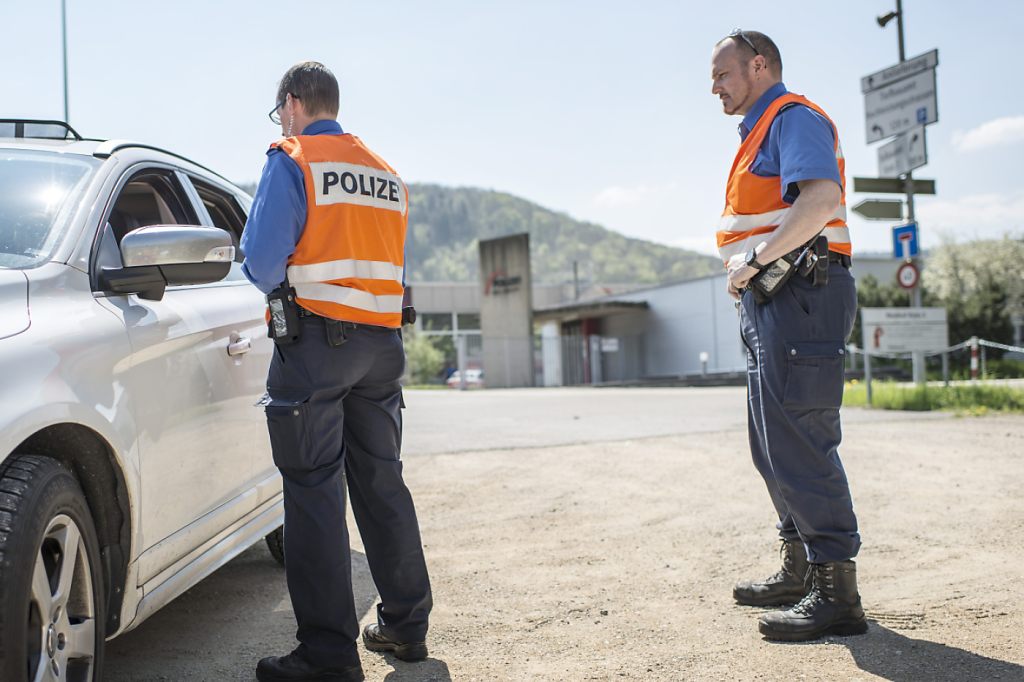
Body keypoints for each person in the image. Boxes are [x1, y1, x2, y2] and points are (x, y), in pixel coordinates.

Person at [242, 61, 432, 681]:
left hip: (317, 345)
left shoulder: (291, 157)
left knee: (315, 494)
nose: (281, 120)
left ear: (292, 103)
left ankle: (327, 656)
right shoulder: (385, 171)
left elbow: (263, 261)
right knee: (382, 483)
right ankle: (405, 628)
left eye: (280, 111)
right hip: (381, 346)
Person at [709, 31, 868, 642]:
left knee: (802, 442)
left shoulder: (791, 117)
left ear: (758, 65)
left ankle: (837, 593)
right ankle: (801, 568)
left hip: (803, 294)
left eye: (722, 75)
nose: (716, 88)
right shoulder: (758, 132)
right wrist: (752, 272)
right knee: (771, 445)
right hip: (775, 299)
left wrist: (755, 261)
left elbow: (821, 198)